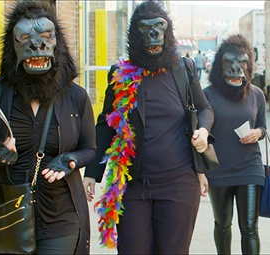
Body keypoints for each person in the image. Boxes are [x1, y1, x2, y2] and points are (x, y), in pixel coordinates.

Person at [0, 1, 96, 254]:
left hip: (61, 217)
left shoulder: (75, 97)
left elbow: (89, 148)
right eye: (24, 38)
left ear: (57, 46)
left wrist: (70, 159)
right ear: (12, 48)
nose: (37, 46)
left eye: (46, 37)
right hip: (9, 213)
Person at [82, 1, 212, 253]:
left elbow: (205, 108)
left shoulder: (183, 69)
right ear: (135, 35)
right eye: (146, 29)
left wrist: (204, 132)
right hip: (133, 184)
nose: (154, 36)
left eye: (159, 28)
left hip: (179, 182)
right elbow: (106, 124)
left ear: (168, 32)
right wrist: (92, 171)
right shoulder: (120, 74)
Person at [203, 34, 267, 254]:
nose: (235, 68)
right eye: (229, 63)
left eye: (241, 63)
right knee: (223, 224)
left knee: (249, 228)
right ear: (219, 66)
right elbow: (201, 132)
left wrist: (258, 133)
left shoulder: (257, 95)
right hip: (218, 169)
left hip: (250, 167)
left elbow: (263, 128)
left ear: (249, 67)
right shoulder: (207, 95)